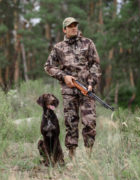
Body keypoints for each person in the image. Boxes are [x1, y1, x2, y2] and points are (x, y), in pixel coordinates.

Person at [44, 17, 101, 160]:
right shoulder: (58, 47)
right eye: (70, 26)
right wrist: (64, 77)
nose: (74, 28)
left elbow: (95, 65)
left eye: (75, 25)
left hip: (86, 91)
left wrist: (91, 83)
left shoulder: (88, 43)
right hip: (69, 92)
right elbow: (48, 67)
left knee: (89, 122)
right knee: (71, 123)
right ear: (64, 29)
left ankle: (89, 158)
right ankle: (72, 158)